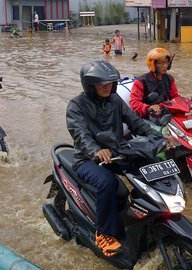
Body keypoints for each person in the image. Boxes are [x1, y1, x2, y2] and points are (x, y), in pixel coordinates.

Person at [66, 60, 161, 257]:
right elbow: (80, 134)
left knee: (149, 166)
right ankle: (104, 234)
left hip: (118, 153)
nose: (107, 87)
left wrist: (157, 136)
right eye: (102, 84)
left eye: (110, 83)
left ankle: (151, 217)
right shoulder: (76, 105)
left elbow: (135, 122)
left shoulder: (115, 99)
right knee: (107, 183)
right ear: (90, 85)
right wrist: (95, 151)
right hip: (87, 159)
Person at [129, 48, 180, 119]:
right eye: (161, 63)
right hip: (146, 116)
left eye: (167, 62)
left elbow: (175, 97)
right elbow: (134, 102)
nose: (165, 65)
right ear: (153, 64)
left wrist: (186, 103)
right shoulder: (141, 81)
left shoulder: (169, 79)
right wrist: (148, 108)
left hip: (164, 113)